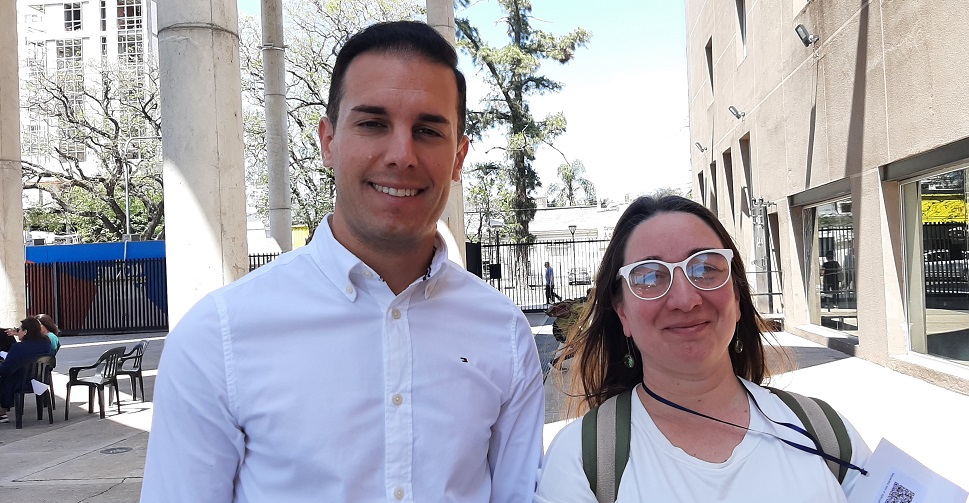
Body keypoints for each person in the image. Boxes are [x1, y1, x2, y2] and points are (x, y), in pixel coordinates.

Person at [142, 21, 544, 502]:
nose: (402, 154)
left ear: (458, 157)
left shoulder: (504, 334)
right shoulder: (218, 338)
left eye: (427, 131)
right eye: (373, 124)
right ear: (328, 141)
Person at [535, 195, 870, 502]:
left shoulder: (826, 434)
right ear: (622, 312)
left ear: (736, 297)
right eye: (649, 277)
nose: (685, 300)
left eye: (705, 268)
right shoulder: (580, 463)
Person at [0, 318, 53, 423]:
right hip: (41, 381)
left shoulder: (18, 347)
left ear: (25, 332)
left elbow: (6, 369)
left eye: (18, 330)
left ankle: (2, 412)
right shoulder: (46, 343)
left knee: (4, 378)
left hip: (21, 383)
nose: (17, 332)